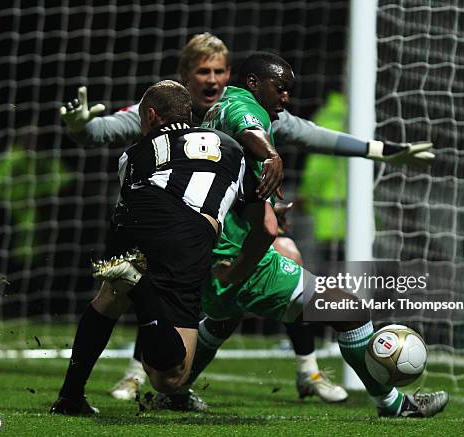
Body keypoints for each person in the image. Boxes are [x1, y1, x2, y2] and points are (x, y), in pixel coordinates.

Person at [59, 33, 434, 408]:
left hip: (185, 244)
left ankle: (170, 384)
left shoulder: (204, 114)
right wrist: (270, 157)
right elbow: (249, 130)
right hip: (231, 251)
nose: (212, 79)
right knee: (346, 308)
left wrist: (383, 151)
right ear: (187, 76)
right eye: (281, 89)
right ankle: (390, 402)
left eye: (219, 71)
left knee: (211, 327)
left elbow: (311, 135)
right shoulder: (227, 106)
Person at [50, 80, 250, 415]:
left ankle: (70, 396)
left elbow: (130, 199)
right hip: (189, 235)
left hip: (136, 220)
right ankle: (144, 292)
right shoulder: (234, 148)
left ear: (151, 116)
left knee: (110, 297)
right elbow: (243, 206)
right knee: (168, 378)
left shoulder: (136, 151)